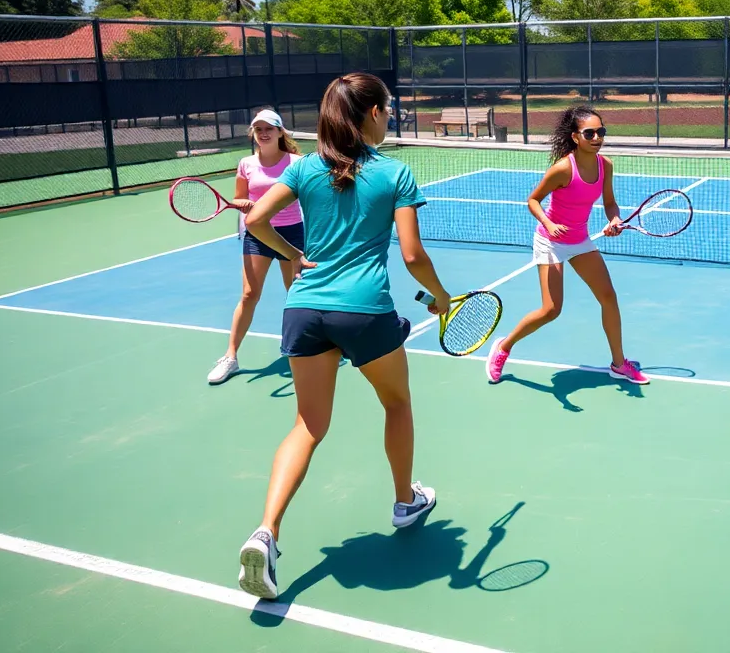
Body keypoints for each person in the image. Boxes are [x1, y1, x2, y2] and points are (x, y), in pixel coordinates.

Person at [236, 72, 454, 600]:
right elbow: (411, 255)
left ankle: (265, 534)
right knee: (397, 404)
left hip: (304, 308)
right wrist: (442, 297)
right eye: (389, 108)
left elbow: (257, 220)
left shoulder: (307, 167)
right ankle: (405, 501)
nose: (392, 116)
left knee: (307, 426)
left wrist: (294, 257)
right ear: (373, 114)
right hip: (364, 312)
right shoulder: (396, 172)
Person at [483, 105, 647, 386]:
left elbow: (609, 202)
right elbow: (533, 200)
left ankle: (619, 364)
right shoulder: (562, 169)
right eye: (590, 133)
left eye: (601, 132)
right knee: (551, 310)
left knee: (608, 296)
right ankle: (504, 347)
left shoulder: (605, 165)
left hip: (579, 239)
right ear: (575, 137)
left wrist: (615, 220)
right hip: (550, 241)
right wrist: (548, 224)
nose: (597, 137)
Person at [206, 109, 304, 386]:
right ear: (253, 133)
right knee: (249, 294)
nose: (263, 133)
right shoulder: (246, 164)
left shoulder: (296, 163)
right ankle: (230, 357)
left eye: (269, 128)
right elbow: (239, 198)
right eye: (258, 129)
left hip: (291, 234)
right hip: (257, 234)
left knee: (296, 293)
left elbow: (307, 195)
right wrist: (245, 204)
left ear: (280, 132)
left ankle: (309, 344)